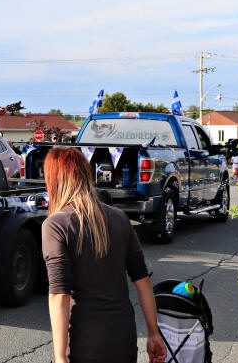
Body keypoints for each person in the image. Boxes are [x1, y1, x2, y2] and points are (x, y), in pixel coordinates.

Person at [41, 147, 166, 363]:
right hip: (123, 338)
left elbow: (59, 295)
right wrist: (153, 333)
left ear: (54, 181)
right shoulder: (119, 218)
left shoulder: (56, 225)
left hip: (83, 343)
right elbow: (142, 281)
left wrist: (60, 356)